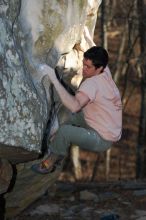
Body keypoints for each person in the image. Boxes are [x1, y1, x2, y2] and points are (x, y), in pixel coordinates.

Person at [31, 45, 122, 174]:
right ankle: (58, 145)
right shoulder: (104, 70)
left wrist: (54, 78)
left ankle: (49, 164)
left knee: (65, 131)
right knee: (66, 115)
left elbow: (75, 105)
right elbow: (95, 50)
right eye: (84, 64)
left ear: (99, 68)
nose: (83, 69)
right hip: (101, 122)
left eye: (88, 67)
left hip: (102, 138)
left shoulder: (92, 84)